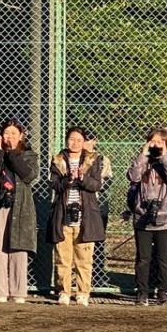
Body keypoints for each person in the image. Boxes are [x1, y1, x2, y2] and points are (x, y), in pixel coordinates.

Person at [48, 126, 111, 306]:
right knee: (63, 256)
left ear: (84, 142)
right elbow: (55, 185)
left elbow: (96, 185)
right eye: (71, 139)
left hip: (86, 216)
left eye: (78, 139)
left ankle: (83, 292)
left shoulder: (93, 160)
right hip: (63, 214)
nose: (74, 143)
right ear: (66, 140)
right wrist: (68, 179)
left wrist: (83, 178)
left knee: (84, 258)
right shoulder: (58, 160)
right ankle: (64, 291)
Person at [0, 117, 38, 304]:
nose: (10, 137)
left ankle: (18, 291)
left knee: (18, 249)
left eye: (14, 133)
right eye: (6, 133)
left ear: (21, 135)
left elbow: (28, 175)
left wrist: (12, 153)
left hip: (20, 206)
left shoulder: (28, 154)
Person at [126, 127, 167, 306]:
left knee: (163, 257)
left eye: (160, 142)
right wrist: (143, 154)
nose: (156, 145)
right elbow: (133, 176)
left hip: (165, 217)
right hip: (143, 217)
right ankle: (142, 292)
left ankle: (163, 291)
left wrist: (164, 156)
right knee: (143, 257)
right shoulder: (142, 162)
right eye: (153, 142)